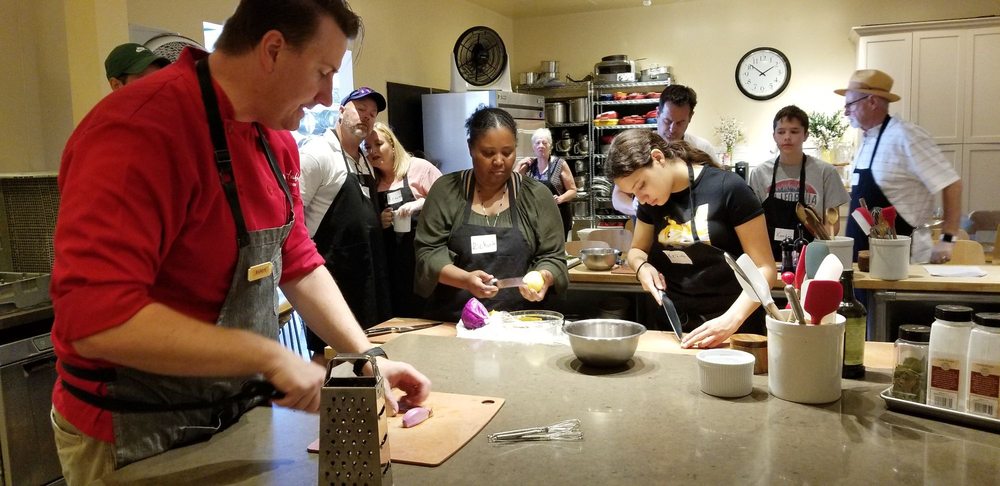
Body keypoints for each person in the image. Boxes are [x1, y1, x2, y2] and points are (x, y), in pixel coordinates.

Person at [49, 2, 430, 483]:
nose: (325, 95)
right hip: (134, 433)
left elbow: (297, 260)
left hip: (236, 419)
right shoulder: (139, 130)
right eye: (323, 71)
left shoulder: (275, 140)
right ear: (272, 50)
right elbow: (97, 318)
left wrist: (367, 358)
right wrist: (269, 357)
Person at [607, 130, 775, 348]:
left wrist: (731, 320)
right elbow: (637, 250)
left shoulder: (728, 188)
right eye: (633, 194)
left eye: (641, 185)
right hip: (674, 327)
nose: (641, 199)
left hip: (733, 328)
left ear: (658, 158)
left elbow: (765, 268)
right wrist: (642, 267)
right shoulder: (650, 203)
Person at [414, 107, 569, 322]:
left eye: (507, 153)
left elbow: (553, 257)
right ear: (470, 147)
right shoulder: (446, 192)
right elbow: (428, 255)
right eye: (488, 153)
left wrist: (543, 277)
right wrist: (466, 280)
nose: (499, 161)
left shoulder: (537, 196)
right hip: (455, 322)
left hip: (522, 322)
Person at [298, 86, 392, 359]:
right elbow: (292, 217)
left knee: (369, 356)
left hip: (368, 276)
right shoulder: (317, 154)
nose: (366, 117)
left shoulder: (364, 160)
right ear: (341, 111)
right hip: (333, 279)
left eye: (372, 114)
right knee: (329, 358)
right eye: (360, 110)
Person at [835, 69, 962, 263]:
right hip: (864, 257)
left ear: (872, 101)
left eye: (850, 104)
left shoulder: (907, 136)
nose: (845, 112)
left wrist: (948, 239)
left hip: (904, 260)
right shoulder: (867, 140)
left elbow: (952, 183)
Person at [748, 105, 850, 260]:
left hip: (813, 256)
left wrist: (820, 234)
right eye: (781, 132)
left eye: (794, 131)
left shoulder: (826, 172)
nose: (787, 137)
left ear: (806, 135)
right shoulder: (759, 173)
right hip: (770, 257)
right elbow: (754, 224)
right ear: (774, 136)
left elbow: (832, 225)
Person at [366, 122, 442, 317]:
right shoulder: (371, 180)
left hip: (422, 260)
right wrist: (379, 220)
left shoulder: (418, 167)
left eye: (378, 144)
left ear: (392, 144)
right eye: (367, 147)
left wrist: (421, 203)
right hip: (392, 265)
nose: (373, 151)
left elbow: (451, 201)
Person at [611, 84, 720, 217]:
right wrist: (639, 210)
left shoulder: (702, 148)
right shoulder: (640, 148)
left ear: (690, 118)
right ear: (657, 114)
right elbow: (618, 197)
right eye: (667, 121)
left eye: (680, 123)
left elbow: (717, 190)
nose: (672, 129)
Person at [514, 128, 578, 237]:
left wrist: (560, 199)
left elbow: (573, 190)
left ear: (550, 146)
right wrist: (519, 165)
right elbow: (512, 183)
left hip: (558, 216)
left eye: (544, 142)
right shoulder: (529, 165)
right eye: (537, 143)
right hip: (536, 217)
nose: (541, 146)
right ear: (533, 147)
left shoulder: (560, 164)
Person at [104, 43, 170, 91]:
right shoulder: (104, 110)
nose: (155, 85)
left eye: (157, 77)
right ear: (116, 85)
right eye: (144, 79)